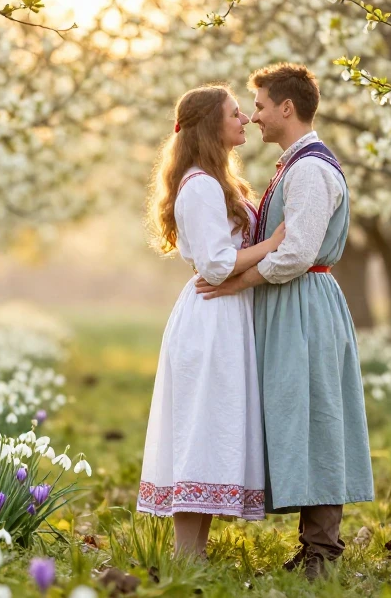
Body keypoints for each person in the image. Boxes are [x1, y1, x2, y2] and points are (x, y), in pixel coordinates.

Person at [197, 63, 374, 580]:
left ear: (286, 108)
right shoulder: (292, 167)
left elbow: (297, 251)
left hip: (304, 303)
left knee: (316, 411)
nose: (253, 118)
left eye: (259, 106)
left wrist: (238, 282)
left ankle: (323, 550)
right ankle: (312, 544)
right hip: (288, 303)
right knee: (295, 412)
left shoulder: (311, 170)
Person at [136, 83, 285, 558]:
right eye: (235, 114)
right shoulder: (199, 186)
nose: (245, 121)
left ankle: (194, 554)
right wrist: (275, 242)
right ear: (209, 125)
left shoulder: (218, 182)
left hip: (227, 314)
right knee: (201, 426)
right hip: (211, 315)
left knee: (213, 422)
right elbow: (217, 265)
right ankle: (185, 554)